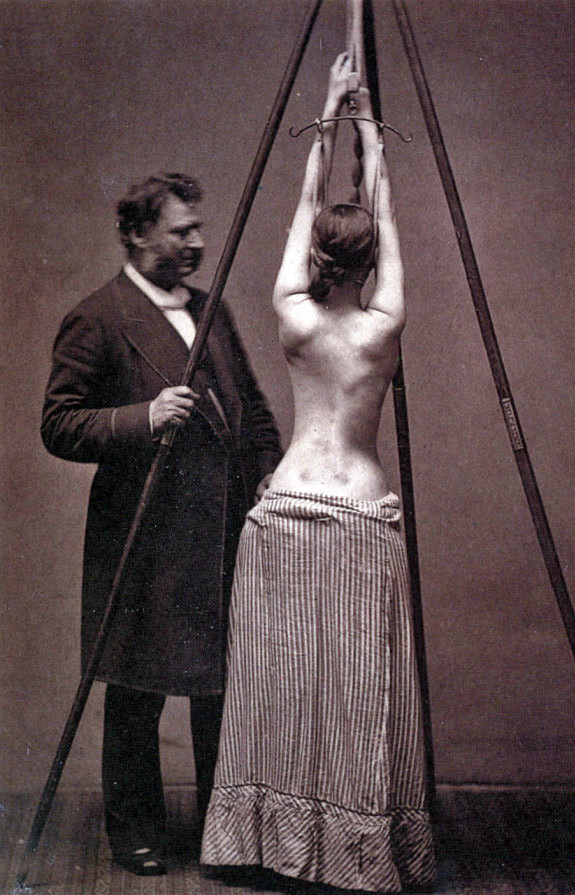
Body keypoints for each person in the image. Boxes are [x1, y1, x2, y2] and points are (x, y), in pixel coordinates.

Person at [201, 54, 436, 892]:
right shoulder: (384, 324)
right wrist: (371, 134)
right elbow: (388, 216)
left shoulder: (292, 315)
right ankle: (350, 854)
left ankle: (266, 843)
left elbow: (305, 209)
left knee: (280, 681)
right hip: (361, 513)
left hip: (288, 508)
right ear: (369, 263)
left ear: (318, 259)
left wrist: (329, 114)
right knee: (359, 691)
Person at [41, 172, 283, 876]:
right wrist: (140, 418)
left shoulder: (213, 309)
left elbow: (253, 411)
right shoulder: (99, 317)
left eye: (198, 229)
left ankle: (224, 832)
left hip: (222, 534)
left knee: (221, 692)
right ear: (136, 233)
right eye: (181, 231)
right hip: (144, 538)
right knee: (136, 690)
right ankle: (135, 832)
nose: (197, 242)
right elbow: (58, 424)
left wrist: (267, 470)